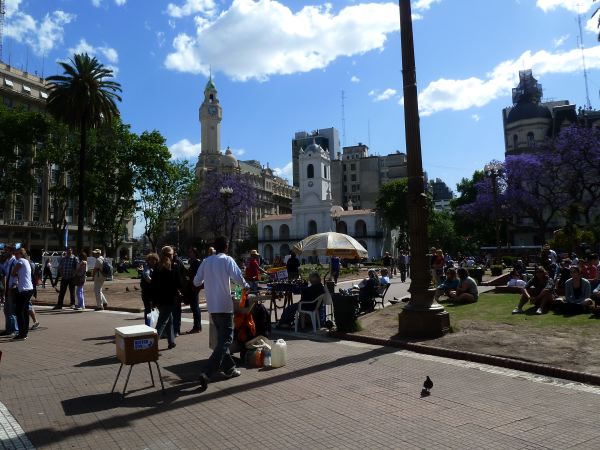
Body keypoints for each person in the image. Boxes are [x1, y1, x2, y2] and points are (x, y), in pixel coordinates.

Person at [193, 236, 249, 380]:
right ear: (226, 247)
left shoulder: (206, 261)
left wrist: (209, 281)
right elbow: (238, 278)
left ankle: (229, 369)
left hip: (212, 306)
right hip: (224, 306)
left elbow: (196, 281)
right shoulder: (227, 260)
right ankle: (207, 371)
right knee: (226, 341)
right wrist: (247, 286)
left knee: (221, 341)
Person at [152, 246, 181, 350]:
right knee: (162, 322)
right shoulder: (173, 266)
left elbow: (153, 284)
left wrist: (154, 300)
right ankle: (152, 345)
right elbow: (178, 283)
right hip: (169, 299)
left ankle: (171, 341)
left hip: (159, 298)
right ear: (170, 255)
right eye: (173, 254)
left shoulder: (157, 266)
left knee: (170, 320)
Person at [11, 248, 34, 340]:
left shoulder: (20, 261)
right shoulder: (26, 261)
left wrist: (14, 273)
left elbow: (13, 273)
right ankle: (25, 332)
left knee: (18, 311)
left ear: (20, 254)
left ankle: (22, 333)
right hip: (29, 288)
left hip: (24, 290)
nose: (15, 255)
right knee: (24, 311)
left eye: (16, 254)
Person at [2, 245, 19, 337]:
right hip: (7, 288)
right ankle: (8, 329)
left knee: (12, 311)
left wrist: (12, 287)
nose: (5, 252)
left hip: (12, 288)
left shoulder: (15, 261)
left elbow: (16, 276)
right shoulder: (7, 261)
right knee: (6, 310)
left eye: (7, 251)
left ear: (11, 251)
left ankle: (15, 330)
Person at [185, 247, 202, 334]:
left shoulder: (197, 262)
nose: (189, 254)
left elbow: (196, 275)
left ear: (195, 253)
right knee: (194, 307)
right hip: (193, 286)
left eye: (190, 252)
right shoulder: (194, 262)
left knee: (195, 307)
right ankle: (197, 326)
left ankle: (197, 326)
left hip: (194, 287)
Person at [140, 252, 159, 325]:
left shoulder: (156, 268)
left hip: (152, 293)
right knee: (148, 310)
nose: (152, 261)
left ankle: (152, 325)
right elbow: (146, 275)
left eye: (154, 260)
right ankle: (148, 326)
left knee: (153, 310)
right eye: (150, 260)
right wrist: (153, 282)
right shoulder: (147, 268)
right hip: (147, 293)